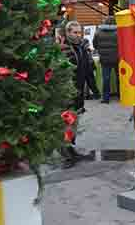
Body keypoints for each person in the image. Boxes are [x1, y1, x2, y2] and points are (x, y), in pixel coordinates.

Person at [59, 21, 93, 168]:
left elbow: (86, 69)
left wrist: (93, 88)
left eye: (80, 32)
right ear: (67, 33)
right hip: (67, 91)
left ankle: (71, 148)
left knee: (75, 122)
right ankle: (65, 153)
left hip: (79, 91)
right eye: (75, 32)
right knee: (67, 123)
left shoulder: (82, 48)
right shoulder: (63, 49)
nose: (78, 35)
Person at [93, 16, 120, 104]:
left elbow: (95, 45)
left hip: (104, 59)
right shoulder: (119, 32)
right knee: (119, 77)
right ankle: (121, 95)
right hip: (117, 58)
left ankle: (106, 98)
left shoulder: (98, 32)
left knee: (106, 79)